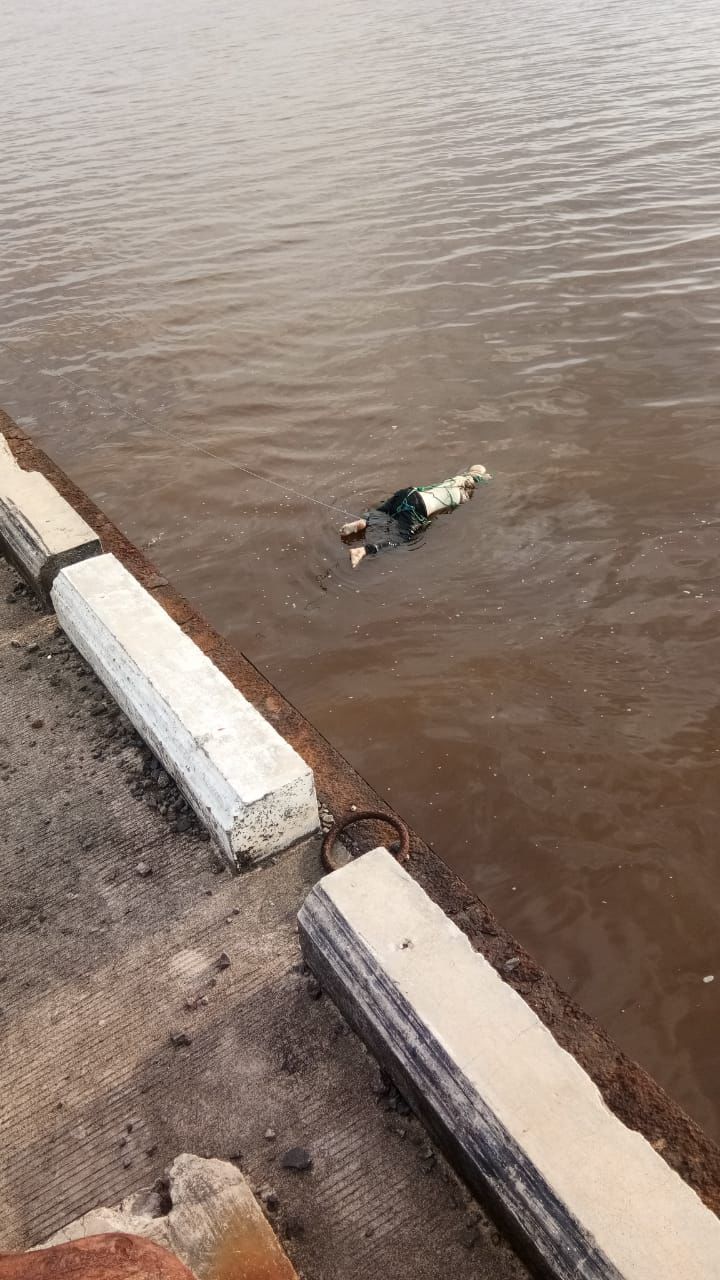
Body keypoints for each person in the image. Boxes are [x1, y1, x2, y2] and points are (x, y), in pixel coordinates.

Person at [339, 464, 489, 567]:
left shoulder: (455, 480)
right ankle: (363, 551)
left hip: (408, 493)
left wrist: (477, 474)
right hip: (419, 508)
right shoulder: (460, 498)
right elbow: (433, 515)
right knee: (401, 539)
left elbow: (475, 472)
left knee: (383, 512)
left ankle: (364, 521)